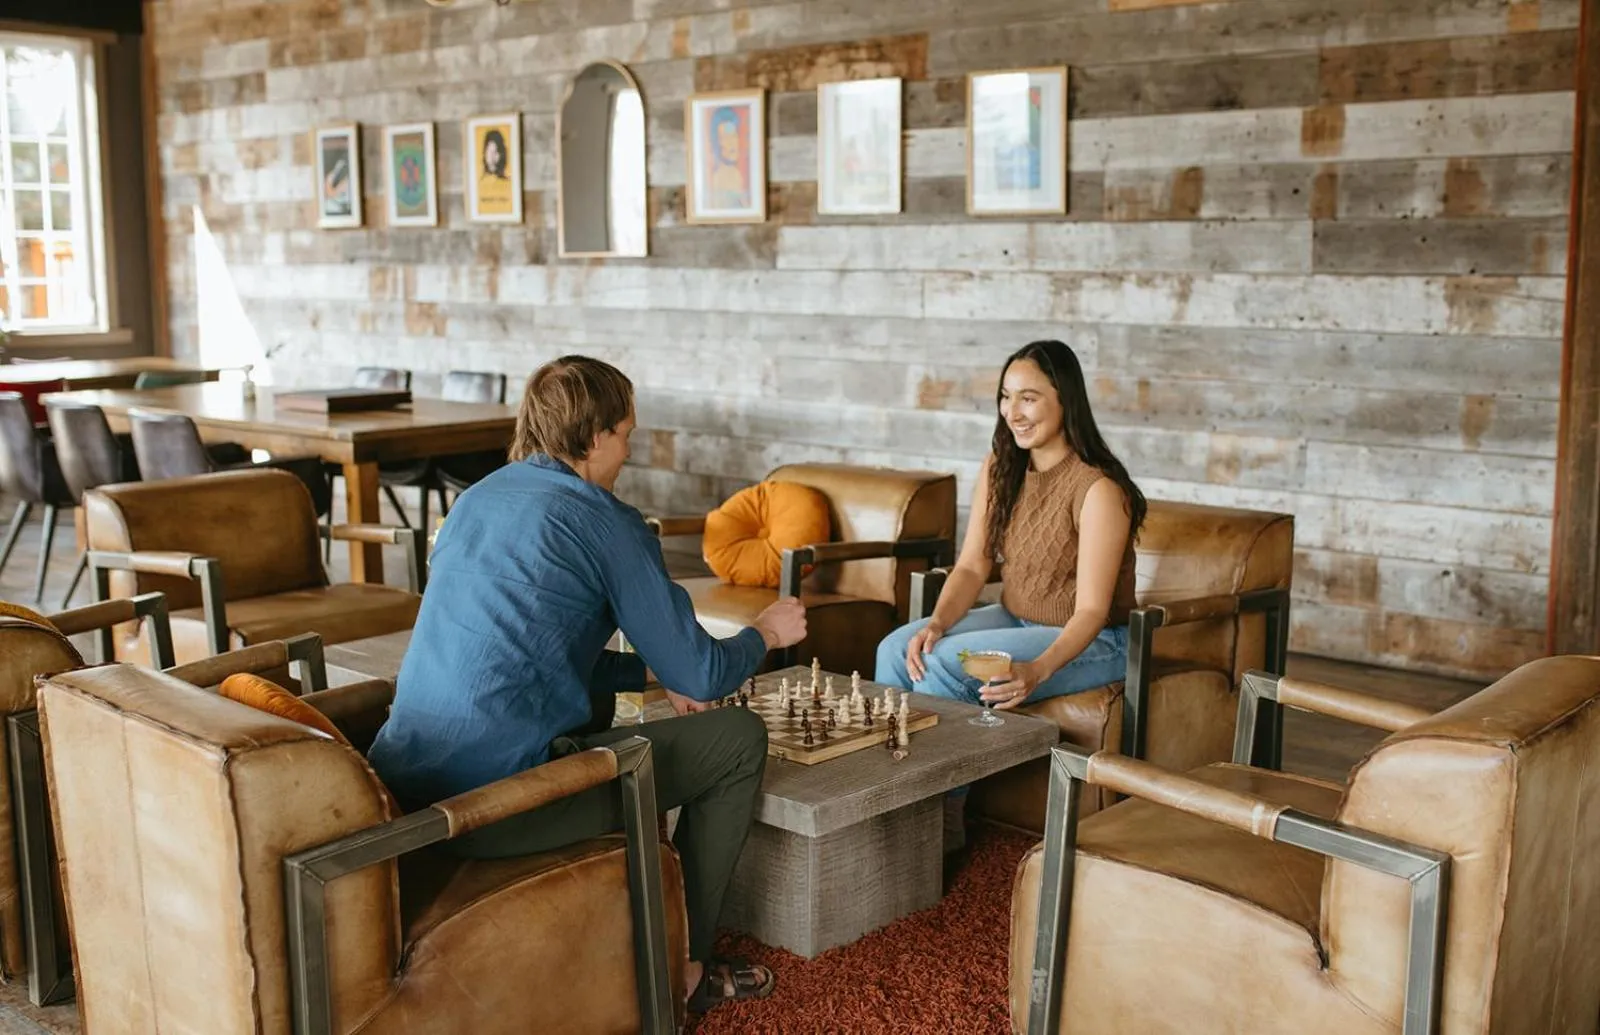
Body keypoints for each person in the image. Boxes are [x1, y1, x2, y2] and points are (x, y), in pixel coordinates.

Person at [367, 355, 805, 1014]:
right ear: (595, 436)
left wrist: (654, 670)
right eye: (627, 431)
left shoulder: (478, 498)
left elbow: (527, 653)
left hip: (402, 786)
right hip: (495, 806)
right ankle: (679, 967)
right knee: (739, 737)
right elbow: (706, 674)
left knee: (600, 698)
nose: (629, 448)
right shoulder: (608, 520)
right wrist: (766, 632)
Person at [875, 339, 1145, 711]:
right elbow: (972, 564)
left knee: (946, 662)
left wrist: (1038, 669)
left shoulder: (1098, 490)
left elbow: (1091, 613)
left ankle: (943, 768)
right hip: (1015, 617)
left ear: (1066, 400)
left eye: (1028, 398)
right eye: (1006, 396)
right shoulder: (1001, 466)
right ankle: (890, 758)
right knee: (895, 649)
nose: (1012, 412)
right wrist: (937, 624)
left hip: (1102, 640)